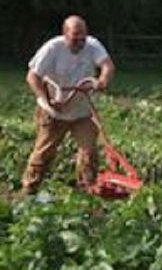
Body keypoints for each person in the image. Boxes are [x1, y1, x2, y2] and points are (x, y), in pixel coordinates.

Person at [21, 15, 116, 195]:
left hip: (81, 112)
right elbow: (32, 77)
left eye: (83, 37)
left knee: (89, 152)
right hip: (54, 112)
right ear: (65, 34)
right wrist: (46, 100)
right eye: (75, 38)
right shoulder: (52, 49)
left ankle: (87, 190)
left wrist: (102, 81)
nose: (80, 42)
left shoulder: (92, 45)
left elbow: (108, 66)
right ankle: (29, 190)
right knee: (44, 153)